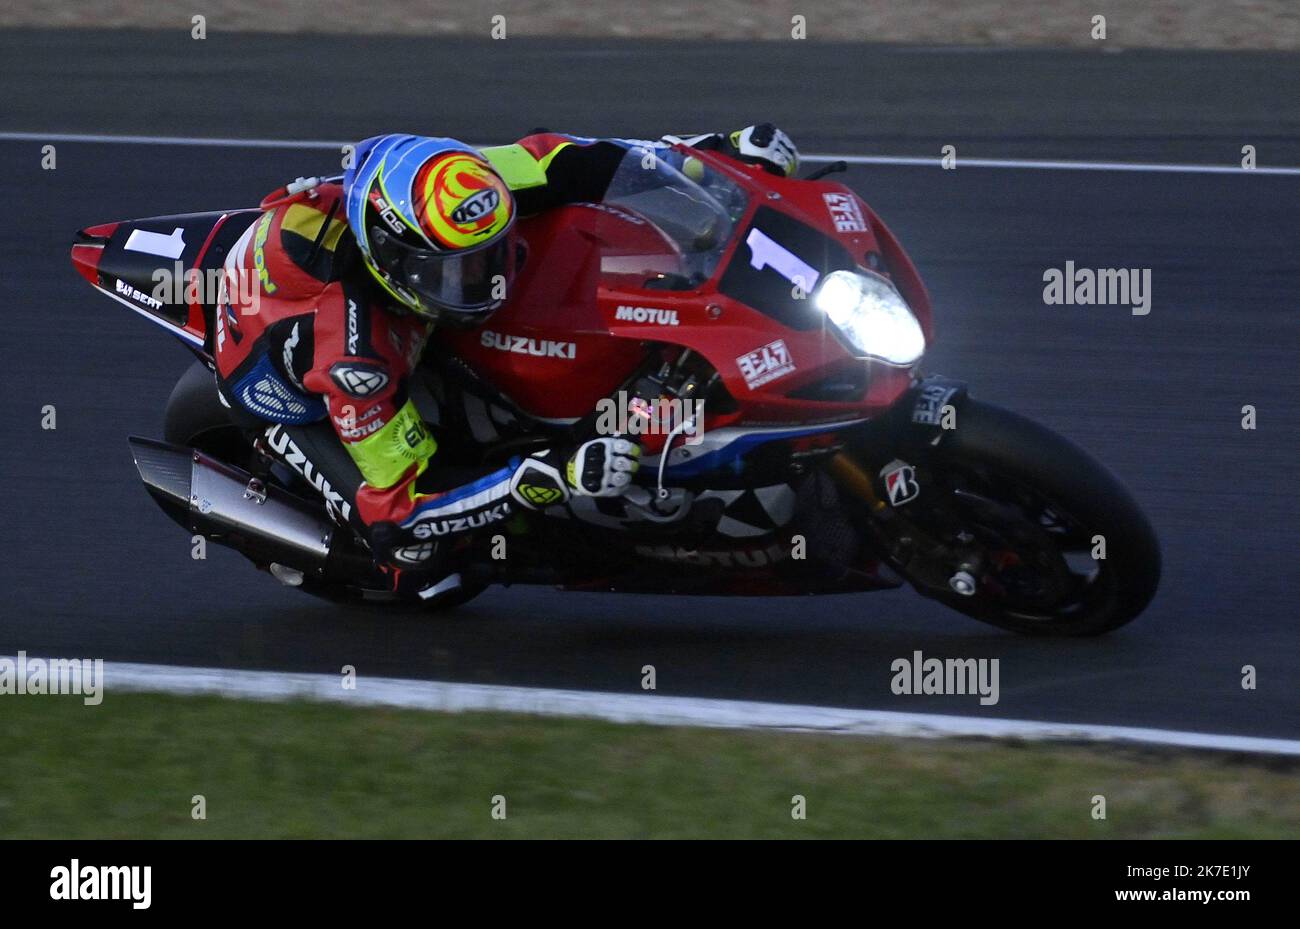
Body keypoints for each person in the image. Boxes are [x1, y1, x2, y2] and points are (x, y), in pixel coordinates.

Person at [211, 124, 800, 591]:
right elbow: (399, 509)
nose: (486, 283)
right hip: (278, 385)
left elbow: (592, 160)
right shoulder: (355, 352)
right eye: (453, 271)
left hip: (364, 297)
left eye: (488, 257)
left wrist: (714, 157)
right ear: (395, 259)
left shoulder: (469, 184)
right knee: (414, 557)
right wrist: (544, 478)